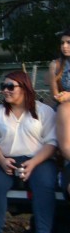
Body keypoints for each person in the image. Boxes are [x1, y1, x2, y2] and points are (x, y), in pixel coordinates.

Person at [0, 71, 58, 233]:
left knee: (45, 185)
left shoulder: (43, 111)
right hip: (7, 159)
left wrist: (34, 162)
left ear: (24, 87)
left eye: (10, 86)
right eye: (3, 86)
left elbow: (51, 142)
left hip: (38, 160)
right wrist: (1, 160)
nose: (5, 90)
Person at [46, 29, 70, 161]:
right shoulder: (55, 65)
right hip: (64, 110)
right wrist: (63, 97)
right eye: (62, 43)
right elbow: (55, 95)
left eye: (69, 42)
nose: (64, 46)